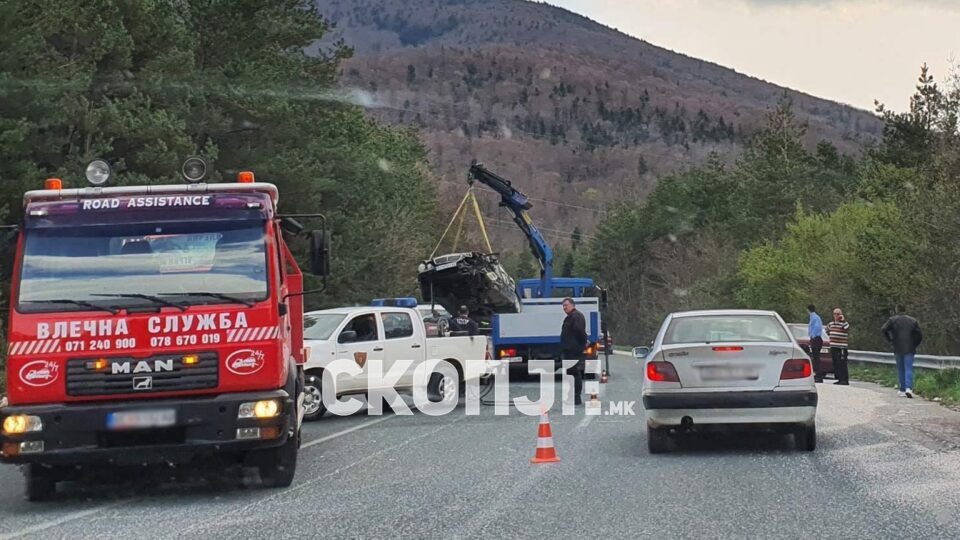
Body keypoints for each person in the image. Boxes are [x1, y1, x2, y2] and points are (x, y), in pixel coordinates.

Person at [881, 305, 923, 398]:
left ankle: (902, 389)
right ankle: (909, 388)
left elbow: (883, 329)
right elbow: (919, 335)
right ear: (905, 310)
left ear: (896, 310)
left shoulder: (892, 320)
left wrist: (890, 340)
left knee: (900, 369)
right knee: (908, 368)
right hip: (910, 347)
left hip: (897, 346)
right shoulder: (913, 320)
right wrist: (914, 343)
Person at [560, 297, 588, 406]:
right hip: (570, 350)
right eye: (563, 306)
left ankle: (576, 398)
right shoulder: (570, 317)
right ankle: (572, 397)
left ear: (572, 305)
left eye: (566, 305)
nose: (564, 308)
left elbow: (580, 332)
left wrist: (580, 345)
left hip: (573, 351)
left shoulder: (576, 317)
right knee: (570, 374)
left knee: (574, 374)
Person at [828, 308, 850, 386]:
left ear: (841, 315)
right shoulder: (831, 324)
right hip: (833, 346)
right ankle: (840, 379)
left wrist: (843, 320)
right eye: (835, 314)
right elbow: (827, 331)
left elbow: (847, 328)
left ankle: (845, 379)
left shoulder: (844, 324)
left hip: (841, 347)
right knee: (836, 363)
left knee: (842, 363)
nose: (836, 315)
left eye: (838, 314)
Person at [807, 304, 825, 383]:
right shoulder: (815, 317)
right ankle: (817, 374)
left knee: (816, 358)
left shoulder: (814, 317)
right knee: (815, 358)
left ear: (808, 310)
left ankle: (819, 376)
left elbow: (817, 327)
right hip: (816, 339)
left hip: (816, 339)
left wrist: (813, 336)